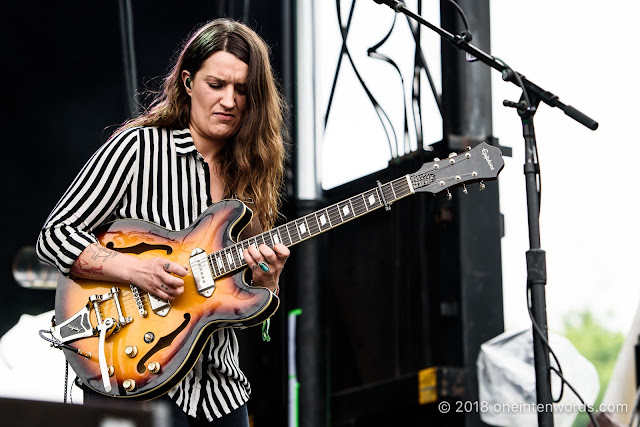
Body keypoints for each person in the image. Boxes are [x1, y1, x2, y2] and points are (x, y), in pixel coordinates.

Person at [36, 18, 290, 426]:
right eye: (216, 84)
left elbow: (244, 307)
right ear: (188, 83)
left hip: (221, 390)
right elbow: (54, 236)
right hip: (135, 375)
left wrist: (266, 282)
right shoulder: (138, 148)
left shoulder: (250, 177)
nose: (229, 100)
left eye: (242, 89)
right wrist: (137, 270)